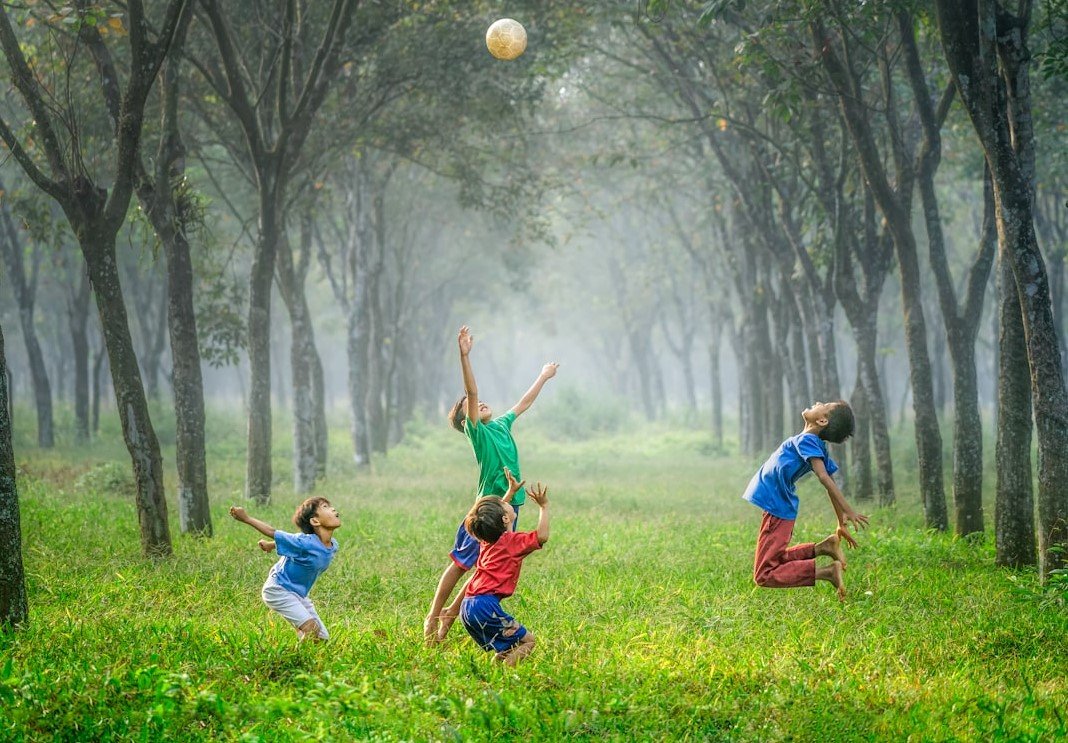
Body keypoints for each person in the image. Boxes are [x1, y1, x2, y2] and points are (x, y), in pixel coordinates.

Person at [424, 324, 558, 643]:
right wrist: (464, 355)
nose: (479, 404)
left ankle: (448, 623)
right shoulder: (478, 433)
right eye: (468, 406)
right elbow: (472, 392)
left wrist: (543, 376)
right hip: (486, 510)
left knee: (485, 568)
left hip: (510, 507)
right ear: (464, 419)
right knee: (461, 564)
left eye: (478, 404)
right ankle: (433, 618)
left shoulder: (500, 425)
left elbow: (523, 403)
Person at [743, 400, 869, 601]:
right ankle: (823, 548)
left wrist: (848, 510)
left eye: (824, 405)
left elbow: (824, 477)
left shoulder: (808, 441)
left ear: (821, 420)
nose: (818, 402)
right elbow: (829, 480)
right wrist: (840, 521)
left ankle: (827, 573)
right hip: (777, 507)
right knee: (775, 559)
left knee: (764, 574)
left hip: (777, 508)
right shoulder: (812, 442)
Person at [460, 469, 550, 666]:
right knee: (528, 642)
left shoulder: (487, 540)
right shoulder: (512, 542)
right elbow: (542, 536)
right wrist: (543, 507)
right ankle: (504, 677)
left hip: (467, 606)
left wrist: (509, 493)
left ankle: (494, 671)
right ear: (505, 519)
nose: (506, 502)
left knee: (508, 646)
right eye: (504, 503)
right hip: (484, 606)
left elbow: (495, 515)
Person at [229, 497, 341, 641]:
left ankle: (302, 635)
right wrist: (246, 518)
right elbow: (273, 532)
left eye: (331, 506)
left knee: (321, 639)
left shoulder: (333, 545)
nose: (332, 509)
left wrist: (270, 545)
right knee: (311, 629)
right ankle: (293, 659)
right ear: (315, 521)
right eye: (325, 507)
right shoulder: (304, 542)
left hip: (298, 594)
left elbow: (293, 544)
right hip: (278, 589)